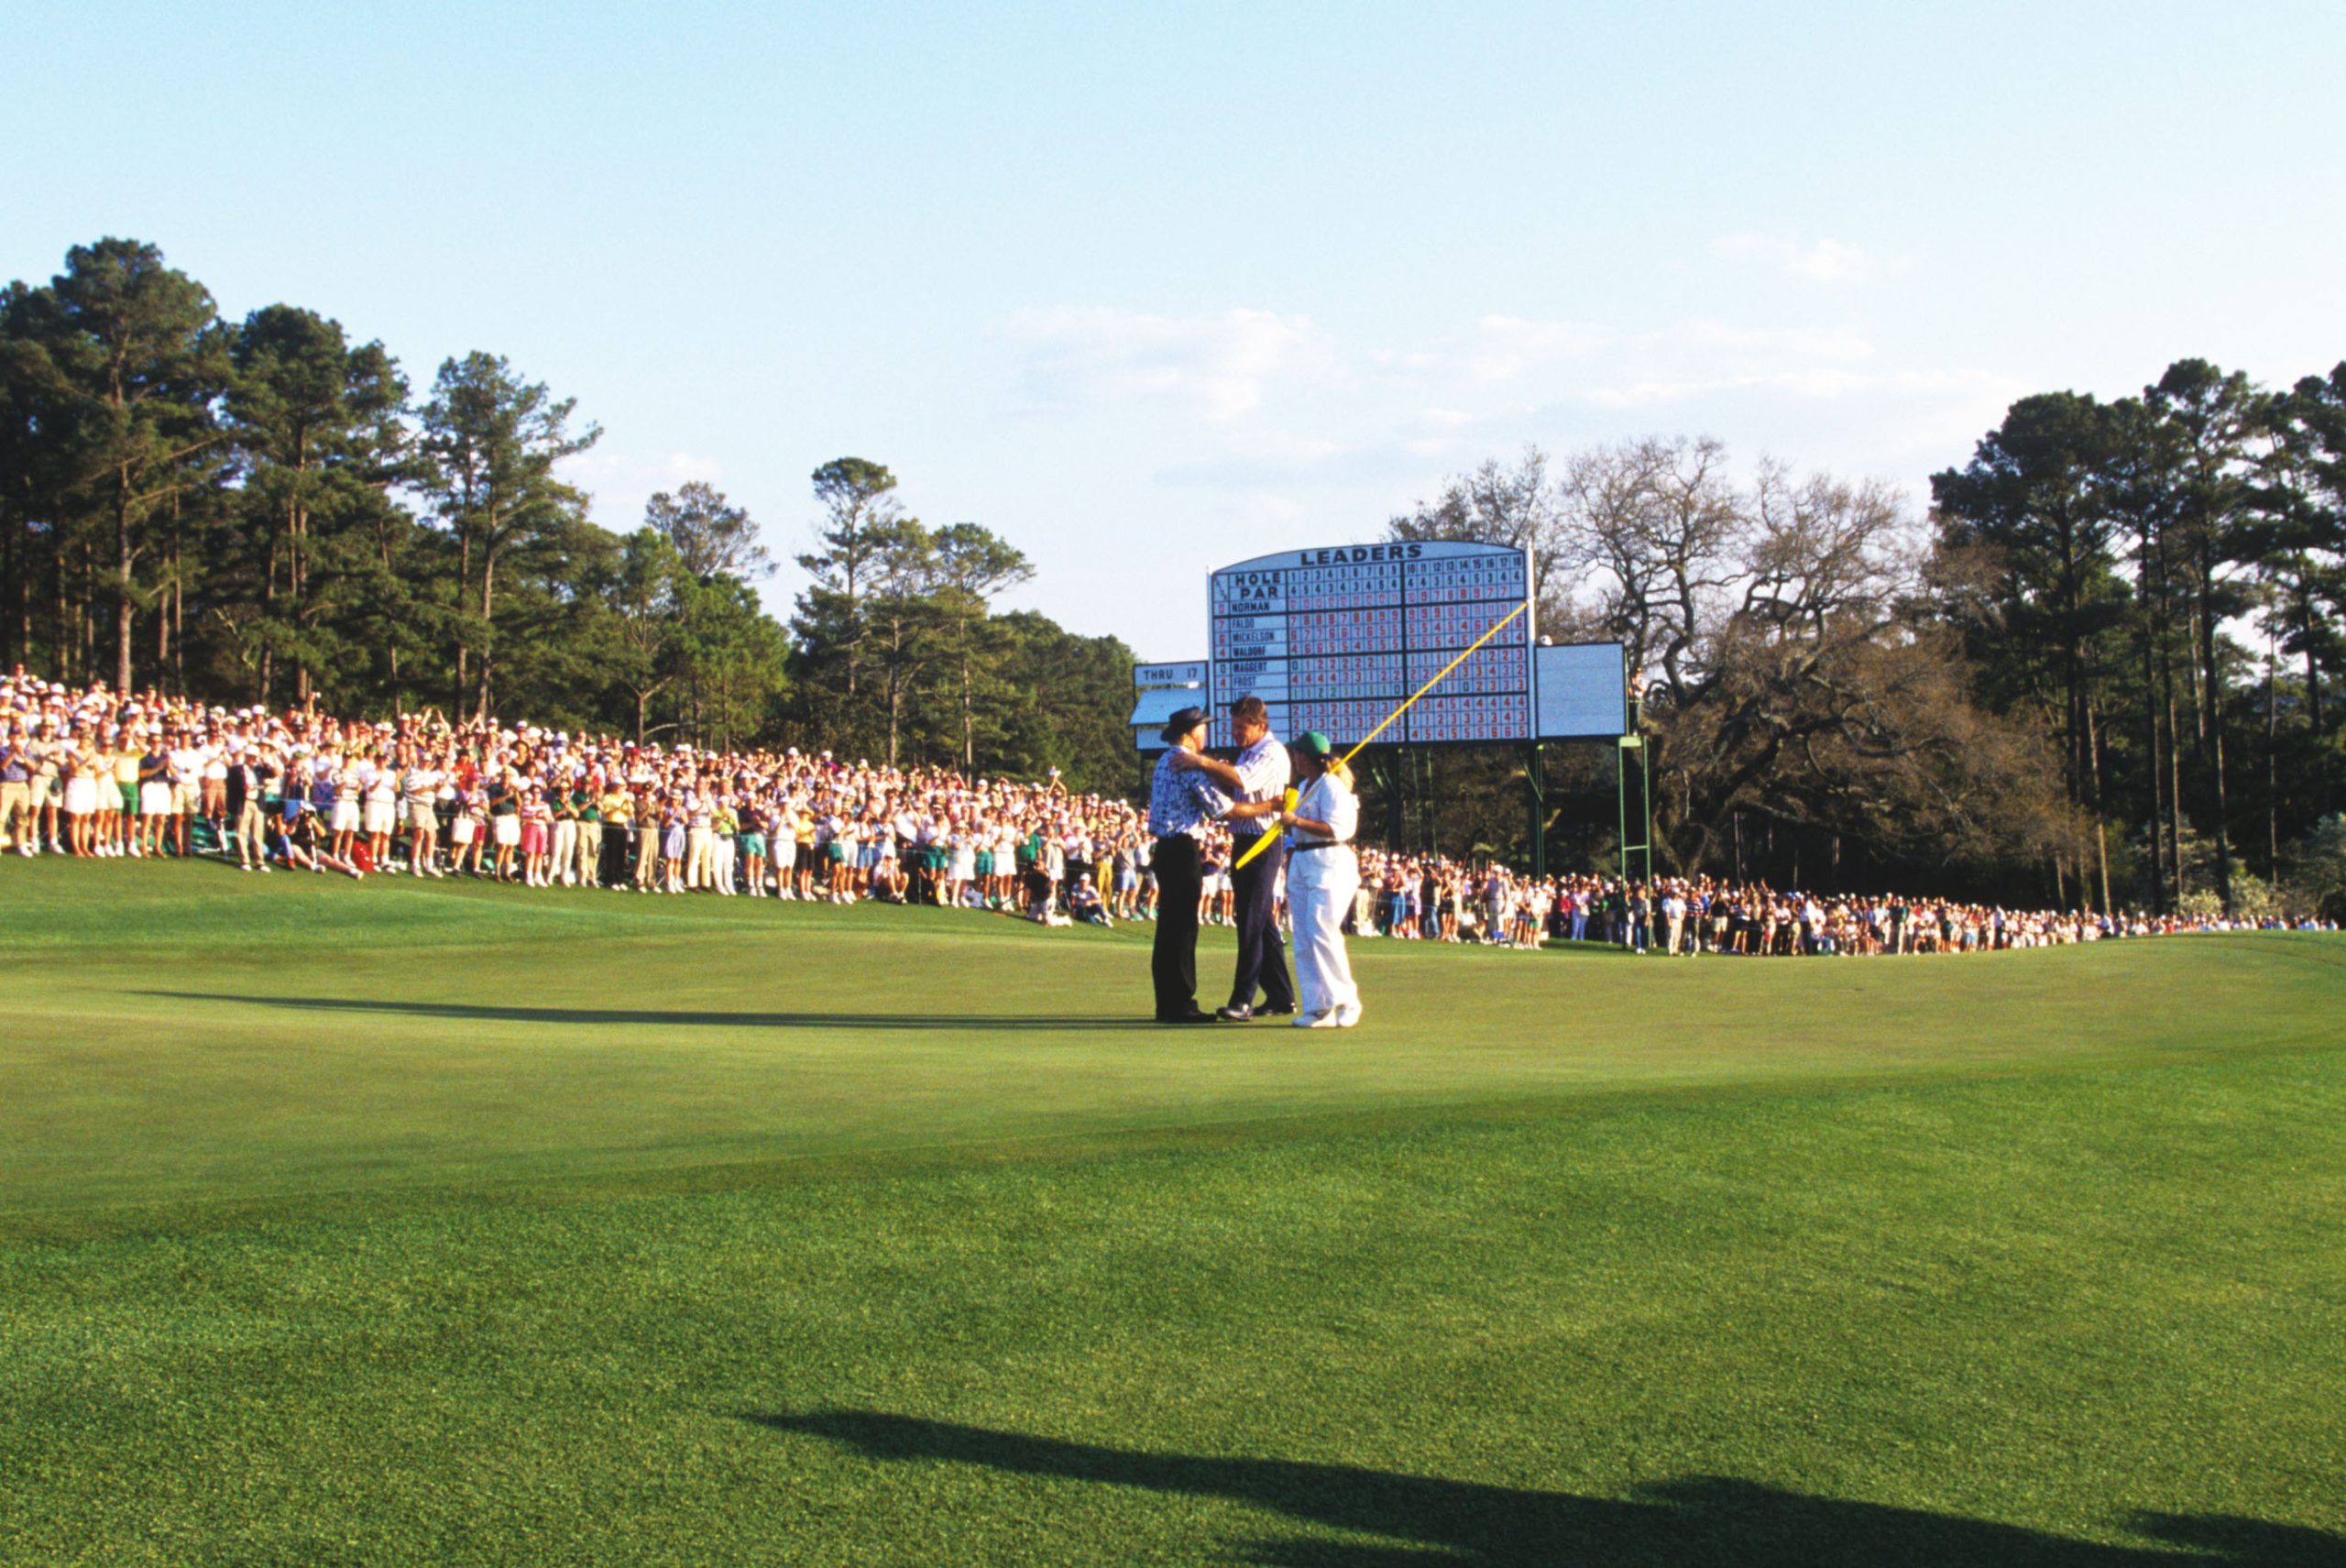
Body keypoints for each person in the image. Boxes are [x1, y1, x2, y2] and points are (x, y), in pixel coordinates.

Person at [1174, 696, 1298, 1022]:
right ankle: (1282, 994)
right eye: (1234, 726)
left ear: (1261, 725)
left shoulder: (1271, 752)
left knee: (1250, 922)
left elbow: (1244, 779)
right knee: (1262, 921)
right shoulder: (1248, 751)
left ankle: (1243, 999)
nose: (1236, 733)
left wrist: (1201, 763)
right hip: (1244, 839)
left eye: (1243, 727)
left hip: (1262, 841)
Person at [1146, 707, 1233, 1024]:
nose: (1206, 733)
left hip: (1165, 849)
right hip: (1182, 848)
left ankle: (1167, 1002)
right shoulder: (1188, 764)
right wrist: (1268, 806)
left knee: (1169, 927)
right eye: (1203, 728)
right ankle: (1181, 1003)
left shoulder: (1163, 762)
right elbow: (1221, 809)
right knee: (1183, 929)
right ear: (1191, 732)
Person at [1279, 731, 1363, 1028]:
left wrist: (1296, 821)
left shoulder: (1332, 787)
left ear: (1307, 756)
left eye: (1298, 753)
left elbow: (1339, 829)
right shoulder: (1304, 786)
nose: (1295, 758)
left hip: (1330, 862)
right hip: (1302, 861)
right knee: (1301, 934)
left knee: (1320, 928)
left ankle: (1346, 998)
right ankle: (1317, 1006)